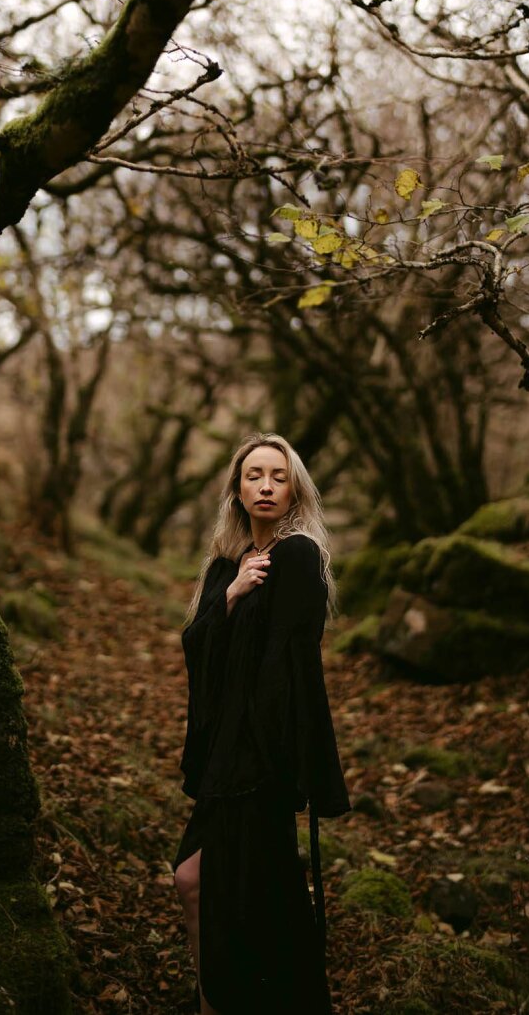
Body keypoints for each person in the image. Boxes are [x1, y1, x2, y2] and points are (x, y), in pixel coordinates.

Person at [173, 432, 351, 1015]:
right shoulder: (228, 564)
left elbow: (290, 665)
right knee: (194, 883)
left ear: (294, 488)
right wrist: (231, 595)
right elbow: (195, 647)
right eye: (254, 475)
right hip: (224, 753)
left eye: (278, 475)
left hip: (260, 760)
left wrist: (279, 763)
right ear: (237, 489)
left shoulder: (297, 556)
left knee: (236, 894)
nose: (266, 485)